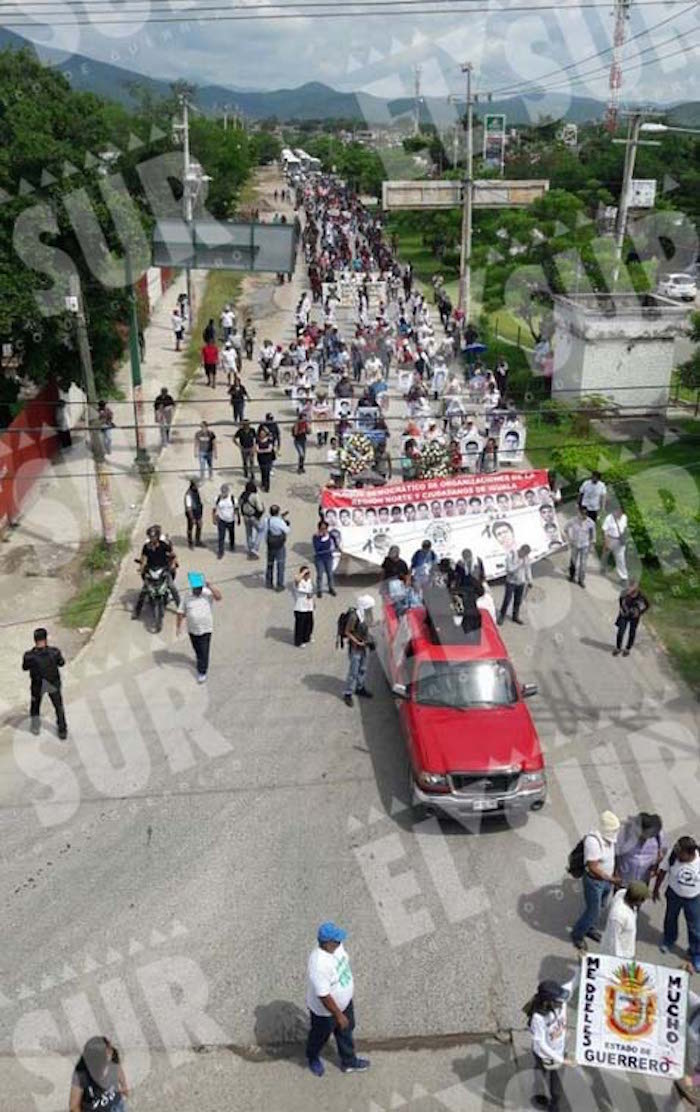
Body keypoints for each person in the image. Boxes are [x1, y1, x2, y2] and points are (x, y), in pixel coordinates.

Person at [305, 921, 370, 1077]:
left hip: (344, 1004)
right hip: (325, 1013)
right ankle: (312, 1057)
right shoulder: (319, 964)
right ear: (327, 943)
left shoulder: (337, 947)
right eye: (336, 940)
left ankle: (348, 1062)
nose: (340, 942)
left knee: (346, 1031)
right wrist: (338, 1015)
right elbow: (324, 996)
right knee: (319, 1037)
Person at [524, 975, 577, 1112]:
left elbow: (574, 981)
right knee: (541, 1075)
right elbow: (541, 1043)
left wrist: (582, 963)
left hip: (559, 1049)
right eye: (558, 1001)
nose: (563, 1002)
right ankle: (539, 1096)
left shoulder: (561, 997)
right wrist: (562, 1060)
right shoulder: (539, 1018)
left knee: (556, 1089)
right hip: (545, 1055)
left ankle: (554, 1107)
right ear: (548, 1002)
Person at [571, 810, 621, 952]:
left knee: (602, 906)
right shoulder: (593, 841)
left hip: (606, 881)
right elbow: (593, 867)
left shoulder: (609, 839)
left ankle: (590, 928)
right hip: (595, 882)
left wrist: (613, 874)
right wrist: (612, 879)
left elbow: (611, 857)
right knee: (592, 911)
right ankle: (578, 934)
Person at [654, 835, 700, 972]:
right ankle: (669, 939)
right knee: (670, 918)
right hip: (674, 894)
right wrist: (656, 889)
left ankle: (696, 953)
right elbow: (662, 871)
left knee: (695, 927)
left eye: (681, 854)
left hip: (693, 898)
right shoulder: (673, 855)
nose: (678, 855)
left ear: (690, 853)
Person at [176, 572, 222, 683]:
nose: (199, 590)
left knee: (204, 650)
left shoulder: (207, 594)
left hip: (206, 629)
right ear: (193, 587)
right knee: (197, 649)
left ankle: (202, 671)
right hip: (192, 630)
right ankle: (200, 660)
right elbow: (180, 612)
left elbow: (219, 597)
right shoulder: (187, 596)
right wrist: (178, 627)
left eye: (200, 588)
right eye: (197, 588)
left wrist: (210, 586)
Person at [22, 628, 67, 739]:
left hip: (37, 684)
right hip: (53, 683)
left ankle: (35, 726)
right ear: (46, 639)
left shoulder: (29, 656)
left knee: (35, 705)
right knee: (58, 706)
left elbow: (24, 667)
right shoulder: (54, 652)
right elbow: (61, 663)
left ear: (34, 640)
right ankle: (62, 730)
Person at [69, 1035, 128, 1112]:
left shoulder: (112, 1056)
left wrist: (124, 1085)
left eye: (110, 1050)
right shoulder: (81, 1074)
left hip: (117, 1105)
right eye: (106, 1054)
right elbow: (74, 1107)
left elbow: (118, 1069)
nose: (110, 1054)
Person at [133, 526, 180, 619]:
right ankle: (137, 612)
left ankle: (180, 607)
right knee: (144, 591)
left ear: (158, 536)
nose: (152, 539)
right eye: (150, 537)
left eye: (153, 536)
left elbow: (172, 554)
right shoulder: (146, 547)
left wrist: (173, 563)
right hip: (151, 570)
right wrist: (141, 568)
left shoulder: (163, 545)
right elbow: (144, 558)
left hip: (163, 570)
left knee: (172, 587)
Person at [600, 881, 649, 959]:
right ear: (638, 900)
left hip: (627, 948)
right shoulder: (618, 916)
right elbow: (613, 941)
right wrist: (620, 960)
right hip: (618, 955)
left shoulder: (622, 893)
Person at [616, 812, 667, 886]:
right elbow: (615, 853)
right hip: (624, 880)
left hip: (643, 881)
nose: (648, 837)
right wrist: (615, 873)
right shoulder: (625, 832)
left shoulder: (658, 836)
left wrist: (655, 867)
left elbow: (663, 851)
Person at [343, 594, 375, 707]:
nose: (371, 609)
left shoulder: (367, 614)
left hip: (364, 646)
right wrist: (357, 642)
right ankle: (348, 693)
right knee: (353, 671)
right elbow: (347, 632)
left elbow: (370, 626)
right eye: (369, 607)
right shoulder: (354, 617)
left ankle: (359, 687)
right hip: (356, 648)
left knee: (363, 668)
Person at [498, 544, 532, 626]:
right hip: (511, 582)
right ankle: (501, 616)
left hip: (521, 582)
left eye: (526, 555)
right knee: (507, 600)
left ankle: (515, 616)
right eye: (524, 553)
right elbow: (509, 569)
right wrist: (519, 565)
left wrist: (530, 580)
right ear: (521, 550)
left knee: (518, 601)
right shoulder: (511, 556)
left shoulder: (526, 558)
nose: (524, 556)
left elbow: (528, 569)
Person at [613, 581, 649, 656]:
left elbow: (647, 605)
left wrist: (640, 613)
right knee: (620, 632)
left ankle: (627, 649)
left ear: (637, 588)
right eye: (630, 588)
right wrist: (622, 609)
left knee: (632, 633)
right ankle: (618, 648)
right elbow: (620, 600)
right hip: (624, 614)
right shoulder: (624, 593)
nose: (630, 591)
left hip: (634, 617)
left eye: (633, 588)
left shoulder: (641, 596)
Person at [565, 505, 596, 588]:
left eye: (585, 514)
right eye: (581, 513)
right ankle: (571, 576)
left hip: (585, 546)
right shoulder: (573, 520)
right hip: (575, 544)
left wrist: (592, 546)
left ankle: (581, 580)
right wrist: (569, 539)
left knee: (583, 564)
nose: (583, 516)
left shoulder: (591, 523)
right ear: (579, 513)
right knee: (573, 561)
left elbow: (593, 536)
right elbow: (565, 528)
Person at [264, 505, 290, 590]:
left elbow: (264, 532)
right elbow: (287, 530)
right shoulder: (279, 521)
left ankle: (269, 582)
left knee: (270, 564)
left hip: (270, 545)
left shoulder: (267, 520)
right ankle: (279, 584)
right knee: (280, 565)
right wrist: (286, 523)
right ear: (278, 512)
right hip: (279, 545)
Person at [601, 506, 629, 582]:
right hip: (610, 539)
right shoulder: (609, 518)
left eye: (621, 513)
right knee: (606, 554)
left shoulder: (624, 517)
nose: (619, 515)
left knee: (620, 558)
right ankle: (603, 567)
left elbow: (624, 528)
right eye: (618, 512)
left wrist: (625, 538)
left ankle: (623, 577)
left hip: (619, 540)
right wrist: (606, 542)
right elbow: (605, 531)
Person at [213, 483, 239, 559]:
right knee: (221, 536)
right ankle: (220, 552)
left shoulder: (233, 499)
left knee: (231, 534)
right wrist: (214, 518)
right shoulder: (217, 499)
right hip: (221, 520)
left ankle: (232, 545)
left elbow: (236, 509)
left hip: (231, 520)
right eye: (223, 492)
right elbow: (214, 509)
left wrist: (238, 518)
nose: (224, 494)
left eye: (225, 493)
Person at [240, 479, 264, 558]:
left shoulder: (242, 495)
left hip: (245, 517)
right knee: (260, 530)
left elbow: (239, 505)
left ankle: (250, 549)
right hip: (254, 517)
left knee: (249, 533)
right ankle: (255, 548)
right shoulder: (254, 496)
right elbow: (260, 508)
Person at [312, 520, 337, 597]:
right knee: (320, 574)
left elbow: (335, 541)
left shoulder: (330, 535)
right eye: (322, 529)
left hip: (328, 558)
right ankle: (319, 590)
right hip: (319, 559)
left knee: (330, 574)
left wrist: (336, 547)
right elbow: (317, 547)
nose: (324, 530)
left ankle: (331, 588)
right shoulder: (315, 537)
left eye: (325, 528)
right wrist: (320, 537)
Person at [293, 566, 315, 648]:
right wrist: (302, 573)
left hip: (309, 607)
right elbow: (297, 580)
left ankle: (307, 638)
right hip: (300, 608)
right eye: (306, 573)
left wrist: (313, 603)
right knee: (300, 626)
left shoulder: (309, 581)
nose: (308, 575)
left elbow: (311, 592)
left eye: (308, 573)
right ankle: (299, 641)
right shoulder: (299, 582)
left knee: (310, 624)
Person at [184, 478, 203, 549]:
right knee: (190, 527)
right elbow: (188, 508)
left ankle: (198, 541)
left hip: (198, 512)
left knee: (199, 525)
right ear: (193, 485)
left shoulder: (196, 491)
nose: (198, 486)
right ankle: (190, 542)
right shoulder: (188, 495)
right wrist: (192, 518)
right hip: (191, 513)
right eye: (196, 485)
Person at [256, 425, 275, 492]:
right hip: (261, 459)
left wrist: (261, 451)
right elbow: (257, 449)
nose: (262, 434)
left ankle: (267, 487)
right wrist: (264, 451)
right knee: (263, 472)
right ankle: (263, 483)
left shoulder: (269, 440)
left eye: (263, 433)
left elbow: (269, 449)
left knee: (267, 472)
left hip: (268, 459)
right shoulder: (258, 440)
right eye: (261, 433)